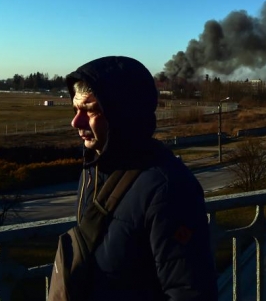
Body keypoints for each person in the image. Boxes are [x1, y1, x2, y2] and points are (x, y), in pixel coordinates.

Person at [64, 56, 217, 300]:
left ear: (123, 114)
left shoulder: (169, 188)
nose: (76, 122)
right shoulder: (94, 170)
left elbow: (188, 291)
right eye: (75, 109)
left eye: (91, 110)